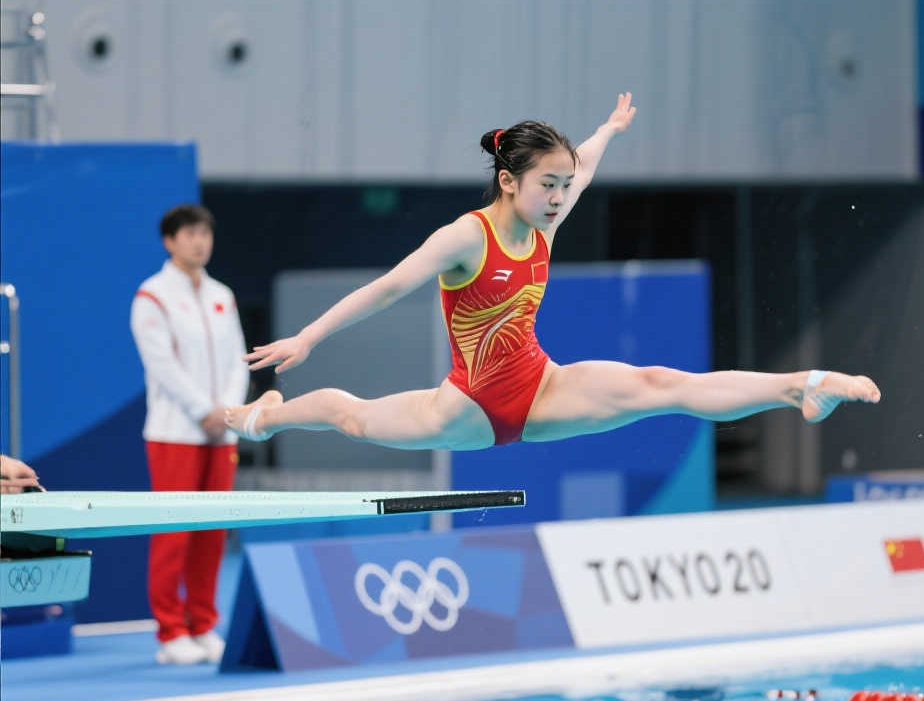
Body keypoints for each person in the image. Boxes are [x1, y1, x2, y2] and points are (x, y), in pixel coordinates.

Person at [226, 93, 880, 451]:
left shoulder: (545, 221)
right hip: (468, 409)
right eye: (549, 184)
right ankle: (262, 419)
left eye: (565, 186)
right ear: (509, 180)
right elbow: (390, 286)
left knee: (662, 385)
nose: (561, 196)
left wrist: (609, 128)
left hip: (542, 386)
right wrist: (308, 336)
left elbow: (585, 162)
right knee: (353, 418)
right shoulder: (467, 237)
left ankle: (804, 386)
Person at [130, 204, 248, 665]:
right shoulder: (152, 297)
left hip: (222, 433)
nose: (200, 242)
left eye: (206, 234)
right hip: (175, 431)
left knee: (212, 532)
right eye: (190, 234)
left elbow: (238, 359)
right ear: (169, 241)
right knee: (174, 532)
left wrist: (229, 412)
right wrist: (203, 411)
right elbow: (161, 364)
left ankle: (202, 624)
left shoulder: (223, 295)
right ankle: (170, 630)